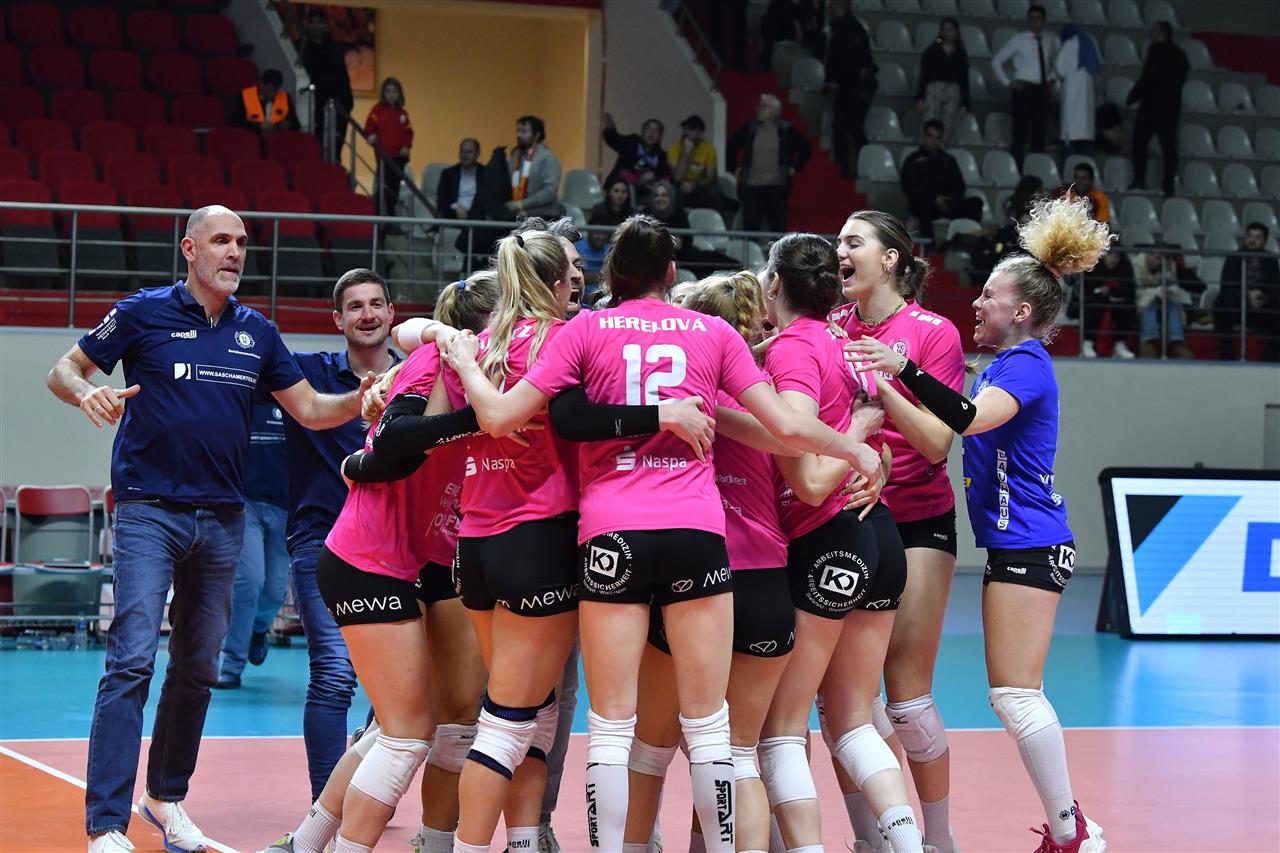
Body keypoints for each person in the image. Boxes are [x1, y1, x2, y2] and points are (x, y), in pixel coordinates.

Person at [445, 214, 882, 851]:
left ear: (611, 274)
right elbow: (786, 429)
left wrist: (461, 357)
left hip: (610, 533)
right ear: (672, 273)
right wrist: (854, 446)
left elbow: (507, 415)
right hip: (695, 532)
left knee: (611, 726)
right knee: (710, 729)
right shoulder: (712, 332)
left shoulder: (584, 328)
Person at [46, 205, 374, 853]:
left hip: (223, 516)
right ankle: (106, 824)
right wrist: (86, 393)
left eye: (242, 242)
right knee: (132, 659)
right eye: (221, 240)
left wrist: (361, 399)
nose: (235, 252)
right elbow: (64, 369)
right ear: (190, 249)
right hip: (148, 510)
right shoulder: (142, 312)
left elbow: (311, 409)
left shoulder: (258, 331)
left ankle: (166, 798)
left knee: (197, 667)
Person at [845, 193, 1110, 853]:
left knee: (1016, 695)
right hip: (1015, 544)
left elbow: (964, 421)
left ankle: (1072, 830)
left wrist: (900, 369)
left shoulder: (1027, 363)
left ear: (1020, 311)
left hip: (1032, 541)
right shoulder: (1005, 364)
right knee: (1011, 694)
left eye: (989, 295)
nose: (977, 302)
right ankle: (1069, 828)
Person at [260, 272, 497, 853]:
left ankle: (320, 843)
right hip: (368, 557)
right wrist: (481, 415)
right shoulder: (434, 366)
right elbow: (395, 447)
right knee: (404, 733)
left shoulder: (482, 370)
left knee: (438, 725)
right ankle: (323, 843)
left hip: (427, 553)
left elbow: (411, 333)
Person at [755, 234, 920, 853]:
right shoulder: (843, 342)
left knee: (781, 730)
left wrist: (848, 438)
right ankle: (908, 844)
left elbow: (809, 477)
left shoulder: (795, 347)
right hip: (879, 536)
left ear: (776, 284)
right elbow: (875, 451)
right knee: (853, 720)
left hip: (828, 534)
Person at [828, 211, 967, 853]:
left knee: (907, 699)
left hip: (918, 518)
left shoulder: (932, 333)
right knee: (842, 705)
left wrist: (886, 379)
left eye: (854, 242)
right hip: (849, 516)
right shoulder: (833, 326)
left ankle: (938, 840)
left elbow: (938, 443)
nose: (841, 251)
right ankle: (873, 839)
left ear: (890, 259)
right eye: (838, 243)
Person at [281, 268, 401, 805]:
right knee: (333, 672)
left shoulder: (417, 377)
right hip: (320, 543)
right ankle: (324, 809)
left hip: (395, 548)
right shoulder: (307, 375)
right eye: (355, 306)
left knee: (396, 685)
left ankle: (366, 778)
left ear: (392, 314)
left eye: (376, 304)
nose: (367, 314)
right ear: (338, 319)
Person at [214, 402, 289, 689]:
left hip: (284, 506)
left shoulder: (292, 400)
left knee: (275, 589)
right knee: (248, 581)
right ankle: (231, 664)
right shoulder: (238, 400)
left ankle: (259, 628)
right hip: (245, 505)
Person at [727, 95, 811, 233]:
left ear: (774, 111)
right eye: (759, 106)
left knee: (777, 231)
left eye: (763, 106)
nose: (758, 109)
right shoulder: (750, 129)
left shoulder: (786, 130)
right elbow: (732, 144)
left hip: (776, 189)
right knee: (750, 231)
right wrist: (734, 167)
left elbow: (805, 147)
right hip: (752, 188)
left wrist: (796, 168)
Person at [991, 4, 1058, 170]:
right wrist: (1008, 82)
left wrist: (1052, 78)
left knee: (1039, 133)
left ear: (1044, 21)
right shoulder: (1018, 39)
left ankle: (1036, 169)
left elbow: (1052, 62)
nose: (1034, 21)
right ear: (1028, 20)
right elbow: (996, 61)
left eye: (1038, 18)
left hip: (1041, 90)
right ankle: (1017, 170)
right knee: (1019, 132)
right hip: (1024, 89)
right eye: (1031, 18)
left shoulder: (1049, 40)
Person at [1126, 21, 1189, 197]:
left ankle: (1139, 179)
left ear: (1161, 33)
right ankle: (1168, 184)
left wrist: (1133, 96)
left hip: (1151, 106)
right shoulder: (1180, 54)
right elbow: (1181, 79)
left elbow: (1148, 77)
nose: (1150, 34)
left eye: (1153, 31)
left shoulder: (1155, 52)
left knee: (1140, 143)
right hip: (1170, 108)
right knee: (1168, 147)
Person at [900, 120, 984, 237]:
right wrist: (934, 198)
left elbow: (960, 185)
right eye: (930, 136)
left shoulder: (948, 160)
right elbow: (909, 187)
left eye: (937, 137)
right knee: (923, 202)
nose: (933, 141)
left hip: (947, 204)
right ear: (924, 136)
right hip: (925, 205)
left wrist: (951, 198)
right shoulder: (913, 160)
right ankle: (930, 245)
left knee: (976, 203)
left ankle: (968, 240)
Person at [824, 0, 877, 178]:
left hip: (854, 87)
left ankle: (846, 169)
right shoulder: (850, 28)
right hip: (855, 86)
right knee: (850, 128)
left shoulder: (848, 30)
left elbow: (849, 61)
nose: (829, 7)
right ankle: (851, 169)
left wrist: (836, 81)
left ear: (840, 6)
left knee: (848, 127)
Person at [1214, 222, 1280, 361]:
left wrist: (1263, 298)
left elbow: (1275, 288)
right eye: (1249, 236)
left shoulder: (1271, 260)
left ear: (1264, 241)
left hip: (1261, 307)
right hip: (1237, 306)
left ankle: (1270, 359)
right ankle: (1228, 355)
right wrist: (1247, 295)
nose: (1252, 240)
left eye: (1257, 237)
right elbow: (1226, 287)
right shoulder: (1234, 258)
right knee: (1222, 301)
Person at [297, 8, 353, 158]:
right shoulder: (300, 47)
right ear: (307, 24)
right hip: (308, 105)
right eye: (313, 22)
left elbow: (343, 78)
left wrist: (347, 103)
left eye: (319, 22)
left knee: (332, 150)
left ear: (326, 25)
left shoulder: (335, 49)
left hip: (332, 106)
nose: (316, 26)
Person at [1133, 245, 1195, 359]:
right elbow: (1137, 288)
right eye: (1156, 257)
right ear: (1148, 255)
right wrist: (1157, 291)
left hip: (1163, 298)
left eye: (1160, 258)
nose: (1158, 261)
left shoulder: (1167, 264)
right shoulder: (1136, 264)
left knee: (1174, 307)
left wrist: (1170, 291)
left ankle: (1177, 343)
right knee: (1149, 306)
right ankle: (1147, 343)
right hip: (1143, 299)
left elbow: (1173, 284)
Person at [916, 18, 970, 145]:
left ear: (956, 32)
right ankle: (926, 147)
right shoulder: (931, 51)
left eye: (950, 30)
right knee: (930, 121)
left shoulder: (961, 54)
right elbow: (924, 75)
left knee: (947, 124)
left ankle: (941, 148)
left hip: (953, 90)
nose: (947, 33)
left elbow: (964, 79)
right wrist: (920, 97)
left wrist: (965, 103)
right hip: (934, 89)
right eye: (944, 30)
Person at [364, 77, 413, 217]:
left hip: (399, 157)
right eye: (388, 91)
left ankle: (391, 215)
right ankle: (380, 215)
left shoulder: (402, 114)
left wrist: (406, 147)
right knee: (383, 187)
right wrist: (371, 135)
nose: (391, 95)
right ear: (383, 93)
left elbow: (408, 133)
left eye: (394, 91)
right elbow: (369, 126)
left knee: (394, 187)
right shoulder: (377, 110)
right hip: (384, 156)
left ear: (399, 94)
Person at [1080, 243, 1136, 358]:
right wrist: (1101, 291)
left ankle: (1120, 344)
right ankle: (1088, 342)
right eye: (1110, 255)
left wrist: (1115, 293)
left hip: (1117, 302)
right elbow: (1087, 288)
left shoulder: (1125, 268)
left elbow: (1129, 290)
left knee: (1128, 306)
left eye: (1116, 256)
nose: (1113, 259)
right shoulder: (1094, 266)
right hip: (1096, 300)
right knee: (1095, 304)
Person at [1054, 24, 1100, 159]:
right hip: (1087, 113)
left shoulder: (1070, 44)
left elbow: (1059, 68)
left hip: (1071, 101)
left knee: (1071, 143)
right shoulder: (1089, 44)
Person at [505, 115, 563, 220]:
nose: (519, 135)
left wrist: (521, 204)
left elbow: (549, 191)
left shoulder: (547, 158)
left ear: (537, 135)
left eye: (524, 131)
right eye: (518, 131)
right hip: (517, 214)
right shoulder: (515, 157)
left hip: (545, 216)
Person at [603, 114, 671, 203]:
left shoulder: (661, 155)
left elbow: (666, 174)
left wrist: (654, 174)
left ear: (660, 136)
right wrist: (610, 128)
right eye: (648, 129)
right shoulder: (631, 142)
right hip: (622, 189)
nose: (651, 133)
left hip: (644, 195)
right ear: (643, 131)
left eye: (656, 131)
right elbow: (614, 140)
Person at [668, 115, 725, 211]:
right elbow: (677, 178)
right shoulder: (674, 147)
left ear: (700, 133)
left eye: (691, 130)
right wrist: (685, 154)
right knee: (675, 193)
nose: (686, 133)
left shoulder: (708, 148)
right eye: (685, 129)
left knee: (714, 192)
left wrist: (693, 184)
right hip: (680, 183)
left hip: (699, 184)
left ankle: (718, 219)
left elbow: (710, 177)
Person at [234, 68, 300, 136]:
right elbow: (235, 123)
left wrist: (287, 126)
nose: (272, 95)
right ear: (261, 85)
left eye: (275, 91)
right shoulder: (245, 97)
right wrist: (259, 126)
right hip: (253, 137)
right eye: (270, 91)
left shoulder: (285, 98)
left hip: (277, 138)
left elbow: (296, 125)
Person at [437, 138, 482, 221]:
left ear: (478, 153)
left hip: (479, 219)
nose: (464, 155)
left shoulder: (486, 174)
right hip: (454, 217)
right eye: (462, 151)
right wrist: (455, 207)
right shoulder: (448, 174)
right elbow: (442, 201)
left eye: (469, 152)